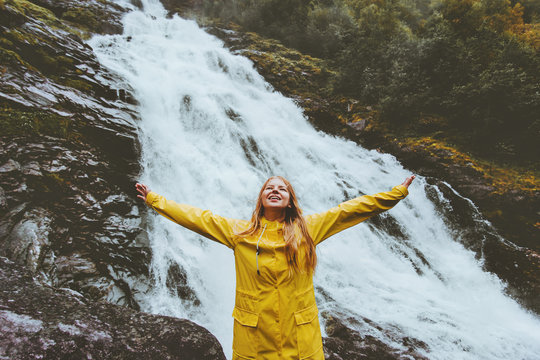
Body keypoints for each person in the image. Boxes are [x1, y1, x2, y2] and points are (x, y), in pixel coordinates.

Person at [136, 175, 415, 360]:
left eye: (282, 188)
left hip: (298, 333)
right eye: (269, 188)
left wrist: (395, 194)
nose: (275, 191)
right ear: (261, 199)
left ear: (290, 200)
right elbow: (197, 218)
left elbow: (349, 210)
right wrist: (154, 199)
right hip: (255, 335)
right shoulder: (240, 232)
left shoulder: (308, 229)